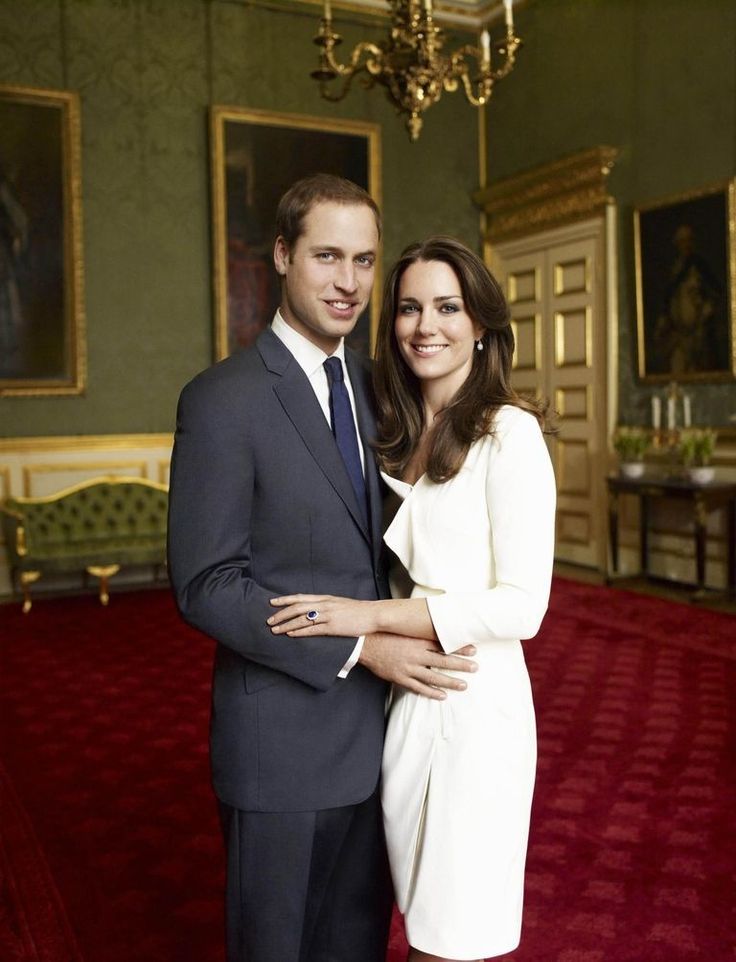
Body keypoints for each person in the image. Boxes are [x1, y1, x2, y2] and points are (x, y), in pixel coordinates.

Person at [167, 179, 477, 962]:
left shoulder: (384, 398)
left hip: (381, 746)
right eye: (328, 256)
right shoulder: (221, 400)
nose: (349, 282)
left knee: (355, 946)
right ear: (281, 256)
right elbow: (207, 583)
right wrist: (362, 648)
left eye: (365, 260)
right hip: (277, 746)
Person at [268, 236, 557, 962]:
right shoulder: (387, 432)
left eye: (447, 307)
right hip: (402, 706)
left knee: (452, 934)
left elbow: (523, 606)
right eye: (408, 308)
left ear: (481, 324)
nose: (425, 326)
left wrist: (364, 618)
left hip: (476, 703)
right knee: (414, 916)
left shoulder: (509, 435)